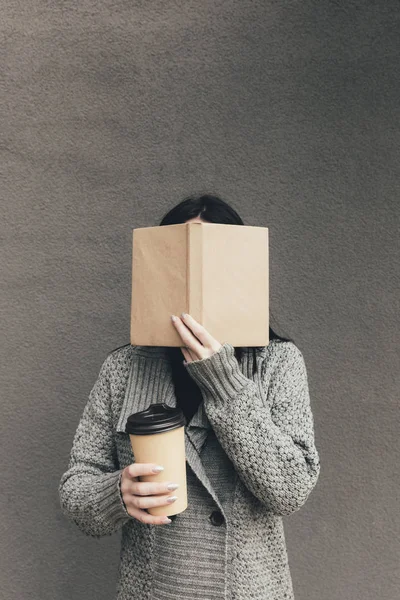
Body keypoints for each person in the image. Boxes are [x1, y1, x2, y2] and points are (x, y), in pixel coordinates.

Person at [58, 193, 321, 600]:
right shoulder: (124, 367)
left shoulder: (279, 362)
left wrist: (223, 381)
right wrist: (116, 494)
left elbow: (290, 489)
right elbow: (77, 489)